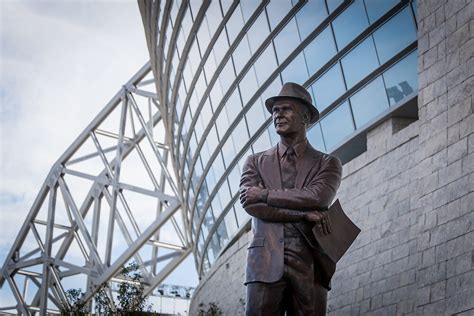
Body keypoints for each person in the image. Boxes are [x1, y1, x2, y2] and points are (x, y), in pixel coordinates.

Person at [239, 82, 343, 315]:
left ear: (305, 116)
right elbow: (250, 204)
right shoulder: (254, 162)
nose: (278, 115)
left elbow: (318, 196)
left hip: (311, 262)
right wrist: (302, 213)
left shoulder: (327, 163)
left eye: (286, 109)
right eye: (275, 110)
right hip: (264, 260)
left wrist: (265, 194)